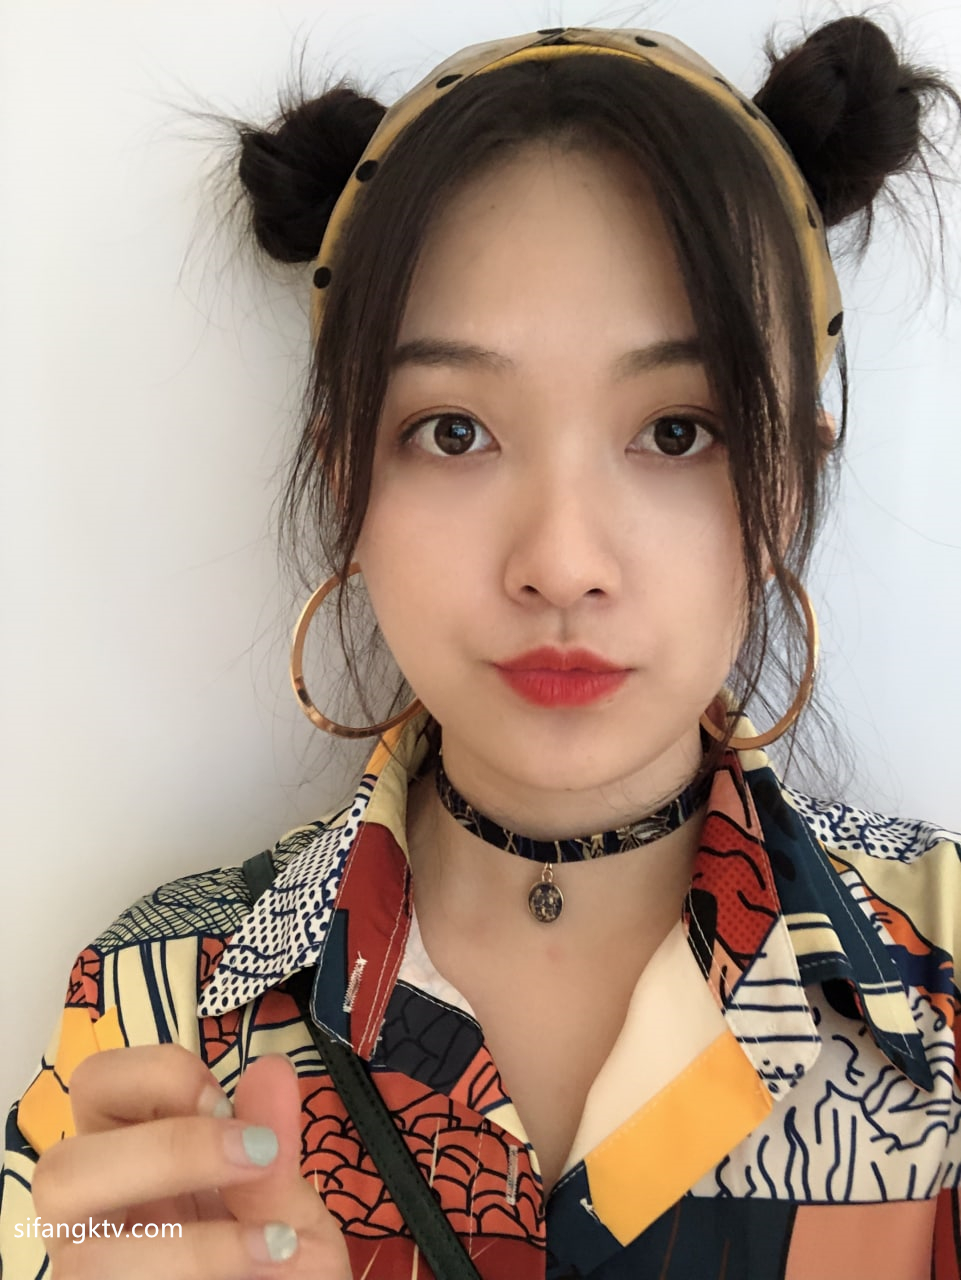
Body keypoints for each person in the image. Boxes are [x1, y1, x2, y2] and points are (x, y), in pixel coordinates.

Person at [2, 14, 960, 1280]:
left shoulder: (941, 976)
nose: (559, 560)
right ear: (346, 476)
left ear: (794, 475)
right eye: (453, 430)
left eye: (678, 430)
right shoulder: (154, 1000)